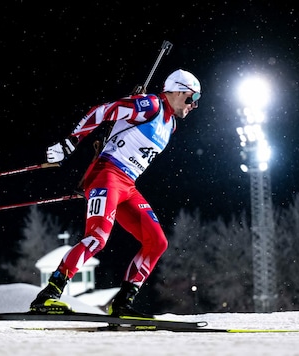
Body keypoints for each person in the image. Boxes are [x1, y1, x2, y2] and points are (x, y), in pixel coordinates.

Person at [30, 69, 201, 317]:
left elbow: (122, 126)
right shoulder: (151, 105)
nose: (193, 104)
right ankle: (49, 295)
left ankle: (122, 304)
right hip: (107, 174)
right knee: (97, 238)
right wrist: (70, 142)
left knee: (157, 242)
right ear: (175, 90)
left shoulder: (171, 124)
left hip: (128, 185)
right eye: (191, 97)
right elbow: (102, 111)